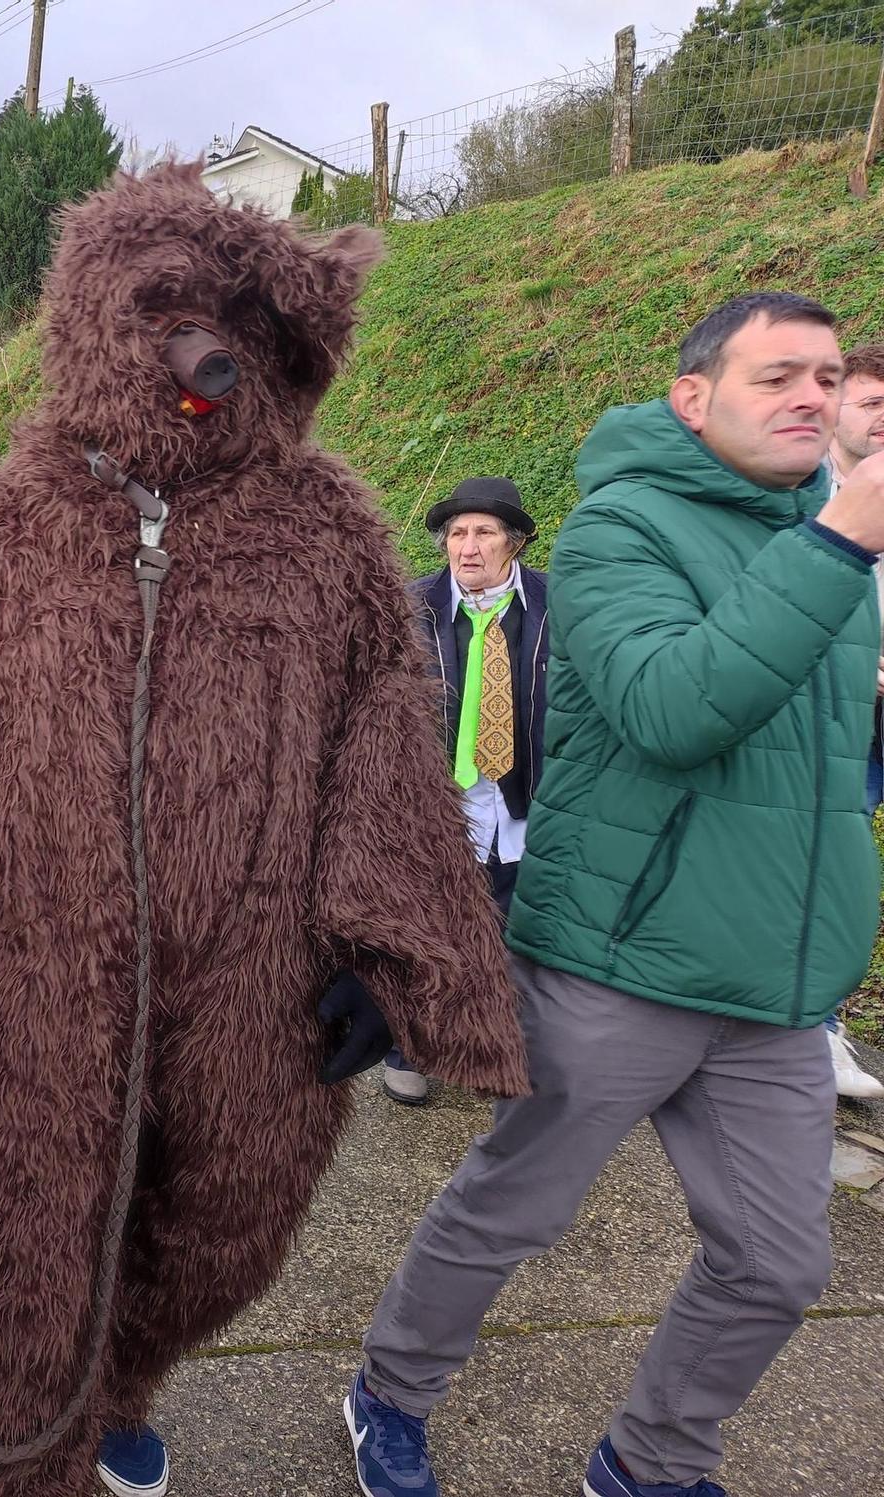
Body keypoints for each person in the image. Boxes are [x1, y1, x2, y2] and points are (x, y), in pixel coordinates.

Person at [0, 165, 527, 1497]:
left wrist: (392, 951)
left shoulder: (324, 532)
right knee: (12, 1301)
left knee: (221, 1238)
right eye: (178, 317)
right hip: (31, 999)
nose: (209, 353)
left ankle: (116, 1384)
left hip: (249, 998)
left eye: (244, 328)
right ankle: (21, 1453)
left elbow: (381, 736)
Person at [347, 291, 884, 1497]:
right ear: (692, 400)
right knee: (509, 1212)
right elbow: (674, 707)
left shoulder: (835, 540)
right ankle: (388, 1388)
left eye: (825, 373)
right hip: (617, 959)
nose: (811, 394)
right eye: (776, 375)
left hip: (774, 984)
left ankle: (649, 1461)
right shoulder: (617, 534)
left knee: (777, 1262)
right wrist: (839, 540)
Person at [382, 478, 549, 1106]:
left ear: (516, 543)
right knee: (430, 932)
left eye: (483, 533)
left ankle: (489, 1051)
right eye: (457, 533)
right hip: (436, 806)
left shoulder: (551, 604)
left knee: (512, 932)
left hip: (523, 802)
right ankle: (409, 1048)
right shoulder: (409, 607)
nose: (467, 548)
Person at [825, 341, 884, 1101]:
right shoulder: (794, 503)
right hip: (838, 721)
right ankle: (820, 1026)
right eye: (873, 404)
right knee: (834, 865)